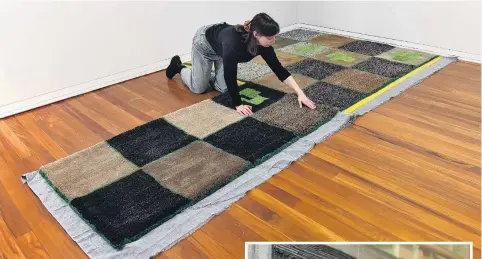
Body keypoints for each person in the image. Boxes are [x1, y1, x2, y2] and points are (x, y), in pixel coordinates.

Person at [166, 12, 316, 116]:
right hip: (204, 43)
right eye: (269, 37)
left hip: (221, 48)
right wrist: (238, 105)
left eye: (274, 36)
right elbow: (231, 74)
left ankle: (204, 74)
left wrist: (300, 93)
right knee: (199, 88)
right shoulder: (234, 44)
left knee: (223, 88)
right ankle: (179, 67)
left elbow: (279, 69)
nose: (273, 41)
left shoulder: (264, 46)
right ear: (256, 34)